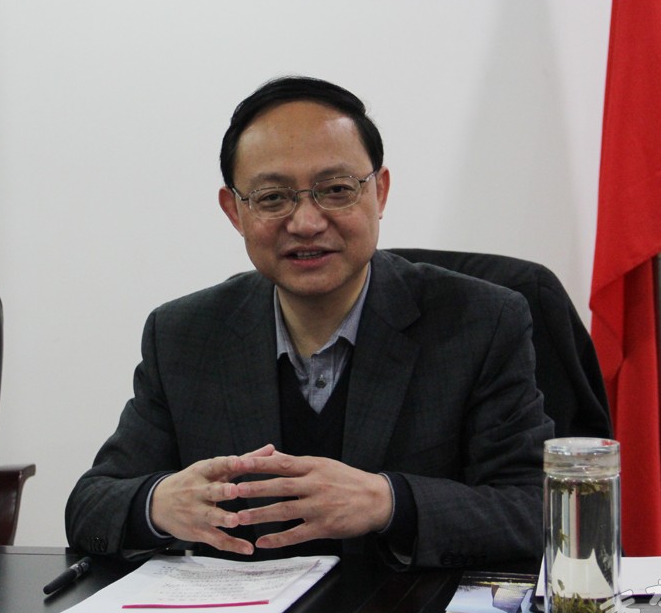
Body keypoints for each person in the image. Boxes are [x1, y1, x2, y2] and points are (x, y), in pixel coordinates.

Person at [65, 76, 553, 569]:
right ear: (235, 211)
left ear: (380, 192)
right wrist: (158, 503)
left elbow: (538, 511)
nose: (306, 223)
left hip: (408, 611)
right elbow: (90, 505)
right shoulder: (183, 334)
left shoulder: (481, 322)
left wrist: (389, 502)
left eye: (336, 190)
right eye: (272, 198)